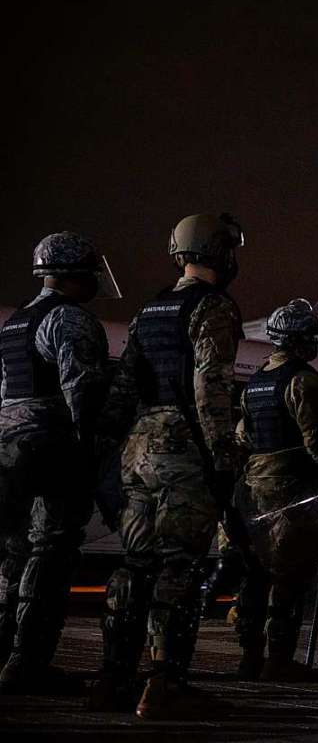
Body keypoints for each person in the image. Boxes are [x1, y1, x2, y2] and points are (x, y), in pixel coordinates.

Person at [90, 213, 244, 717]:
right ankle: (163, 683)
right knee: (178, 568)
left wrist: (107, 450)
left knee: (135, 566)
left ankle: (113, 678)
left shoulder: (150, 309)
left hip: (139, 448)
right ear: (221, 252)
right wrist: (223, 458)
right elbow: (211, 389)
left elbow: (124, 388)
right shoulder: (214, 309)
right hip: (184, 449)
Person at [0, 232, 113, 694]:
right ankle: (28, 662)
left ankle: (5, 653)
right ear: (76, 274)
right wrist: (94, 452)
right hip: (49, 444)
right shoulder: (69, 318)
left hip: (6, 443)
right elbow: (83, 390)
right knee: (52, 551)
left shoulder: (16, 322)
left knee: (14, 553)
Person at [233, 299, 318, 681]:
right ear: (298, 341)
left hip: (253, 487)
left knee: (254, 575)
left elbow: (242, 437)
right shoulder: (305, 380)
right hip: (291, 489)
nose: (315, 342)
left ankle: (249, 657)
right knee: (290, 576)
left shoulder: (256, 382)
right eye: (312, 336)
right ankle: (279, 660)